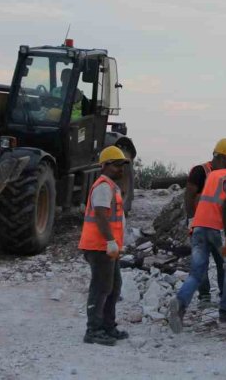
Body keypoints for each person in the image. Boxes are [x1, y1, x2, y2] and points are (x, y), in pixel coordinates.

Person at [169, 147, 226, 332]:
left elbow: (217, 201)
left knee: (197, 271)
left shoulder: (215, 175)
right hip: (218, 230)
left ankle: (180, 302)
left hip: (199, 226)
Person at [78, 146, 132, 346]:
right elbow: (100, 214)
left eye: (123, 165)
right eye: (117, 165)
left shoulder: (110, 186)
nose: (121, 169)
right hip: (99, 246)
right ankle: (93, 330)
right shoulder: (102, 187)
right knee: (101, 288)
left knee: (113, 287)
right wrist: (110, 241)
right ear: (106, 165)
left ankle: (108, 326)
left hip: (109, 247)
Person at [183, 138, 226, 306]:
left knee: (224, 263)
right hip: (200, 225)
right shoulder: (200, 172)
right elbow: (189, 196)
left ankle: (225, 296)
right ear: (219, 157)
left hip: (218, 227)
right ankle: (204, 295)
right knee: (201, 263)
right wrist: (191, 220)